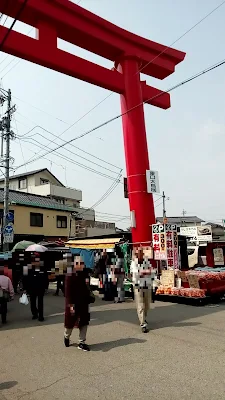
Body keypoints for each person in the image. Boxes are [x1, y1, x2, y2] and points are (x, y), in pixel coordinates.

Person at [64, 256, 91, 351]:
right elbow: (68, 293)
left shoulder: (85, 273)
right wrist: (70, 306)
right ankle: (66, 337)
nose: (83, 265)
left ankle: (81, 342)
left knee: (84, 322)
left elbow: (87, 287)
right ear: (75, 265)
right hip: (73, 303)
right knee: (70, 323)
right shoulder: (70, 275)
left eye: (83, 263)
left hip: (83, 302)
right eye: (80, 263)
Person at [130, 248, 154, 333]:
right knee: (140, 305)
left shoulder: (146, 261)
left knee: (147, 305)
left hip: (147, 285)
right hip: (138, 286)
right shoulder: (133, 263)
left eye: (141, 252)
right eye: (138, 253)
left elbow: (152, 271)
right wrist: (145, 272)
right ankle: (143, 323)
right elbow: (136, 273)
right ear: (136, 254)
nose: (140, 254)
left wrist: (145, 272)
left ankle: (144, 317)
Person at [22, 255, 48, 322]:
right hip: (32, 287)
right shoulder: (26, 267)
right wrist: (24, 288)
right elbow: (24, 278)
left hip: (39, 287)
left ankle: (40, 316)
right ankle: (35, 314)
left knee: (39, 302)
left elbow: (46, 277)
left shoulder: (42, 267)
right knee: (33, 302)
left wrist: (45, 286)